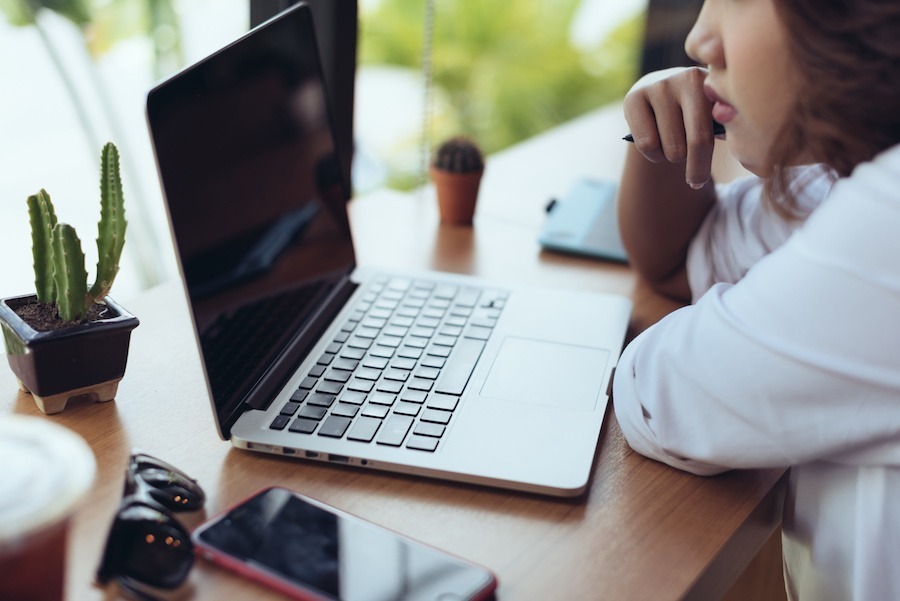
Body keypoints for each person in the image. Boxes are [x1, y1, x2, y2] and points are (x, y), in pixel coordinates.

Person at [611, 0, 900, 599]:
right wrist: (659, 135)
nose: (698, 39)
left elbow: (662, 395)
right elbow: (683, 257)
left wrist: (742, 321)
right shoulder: (844, 177)